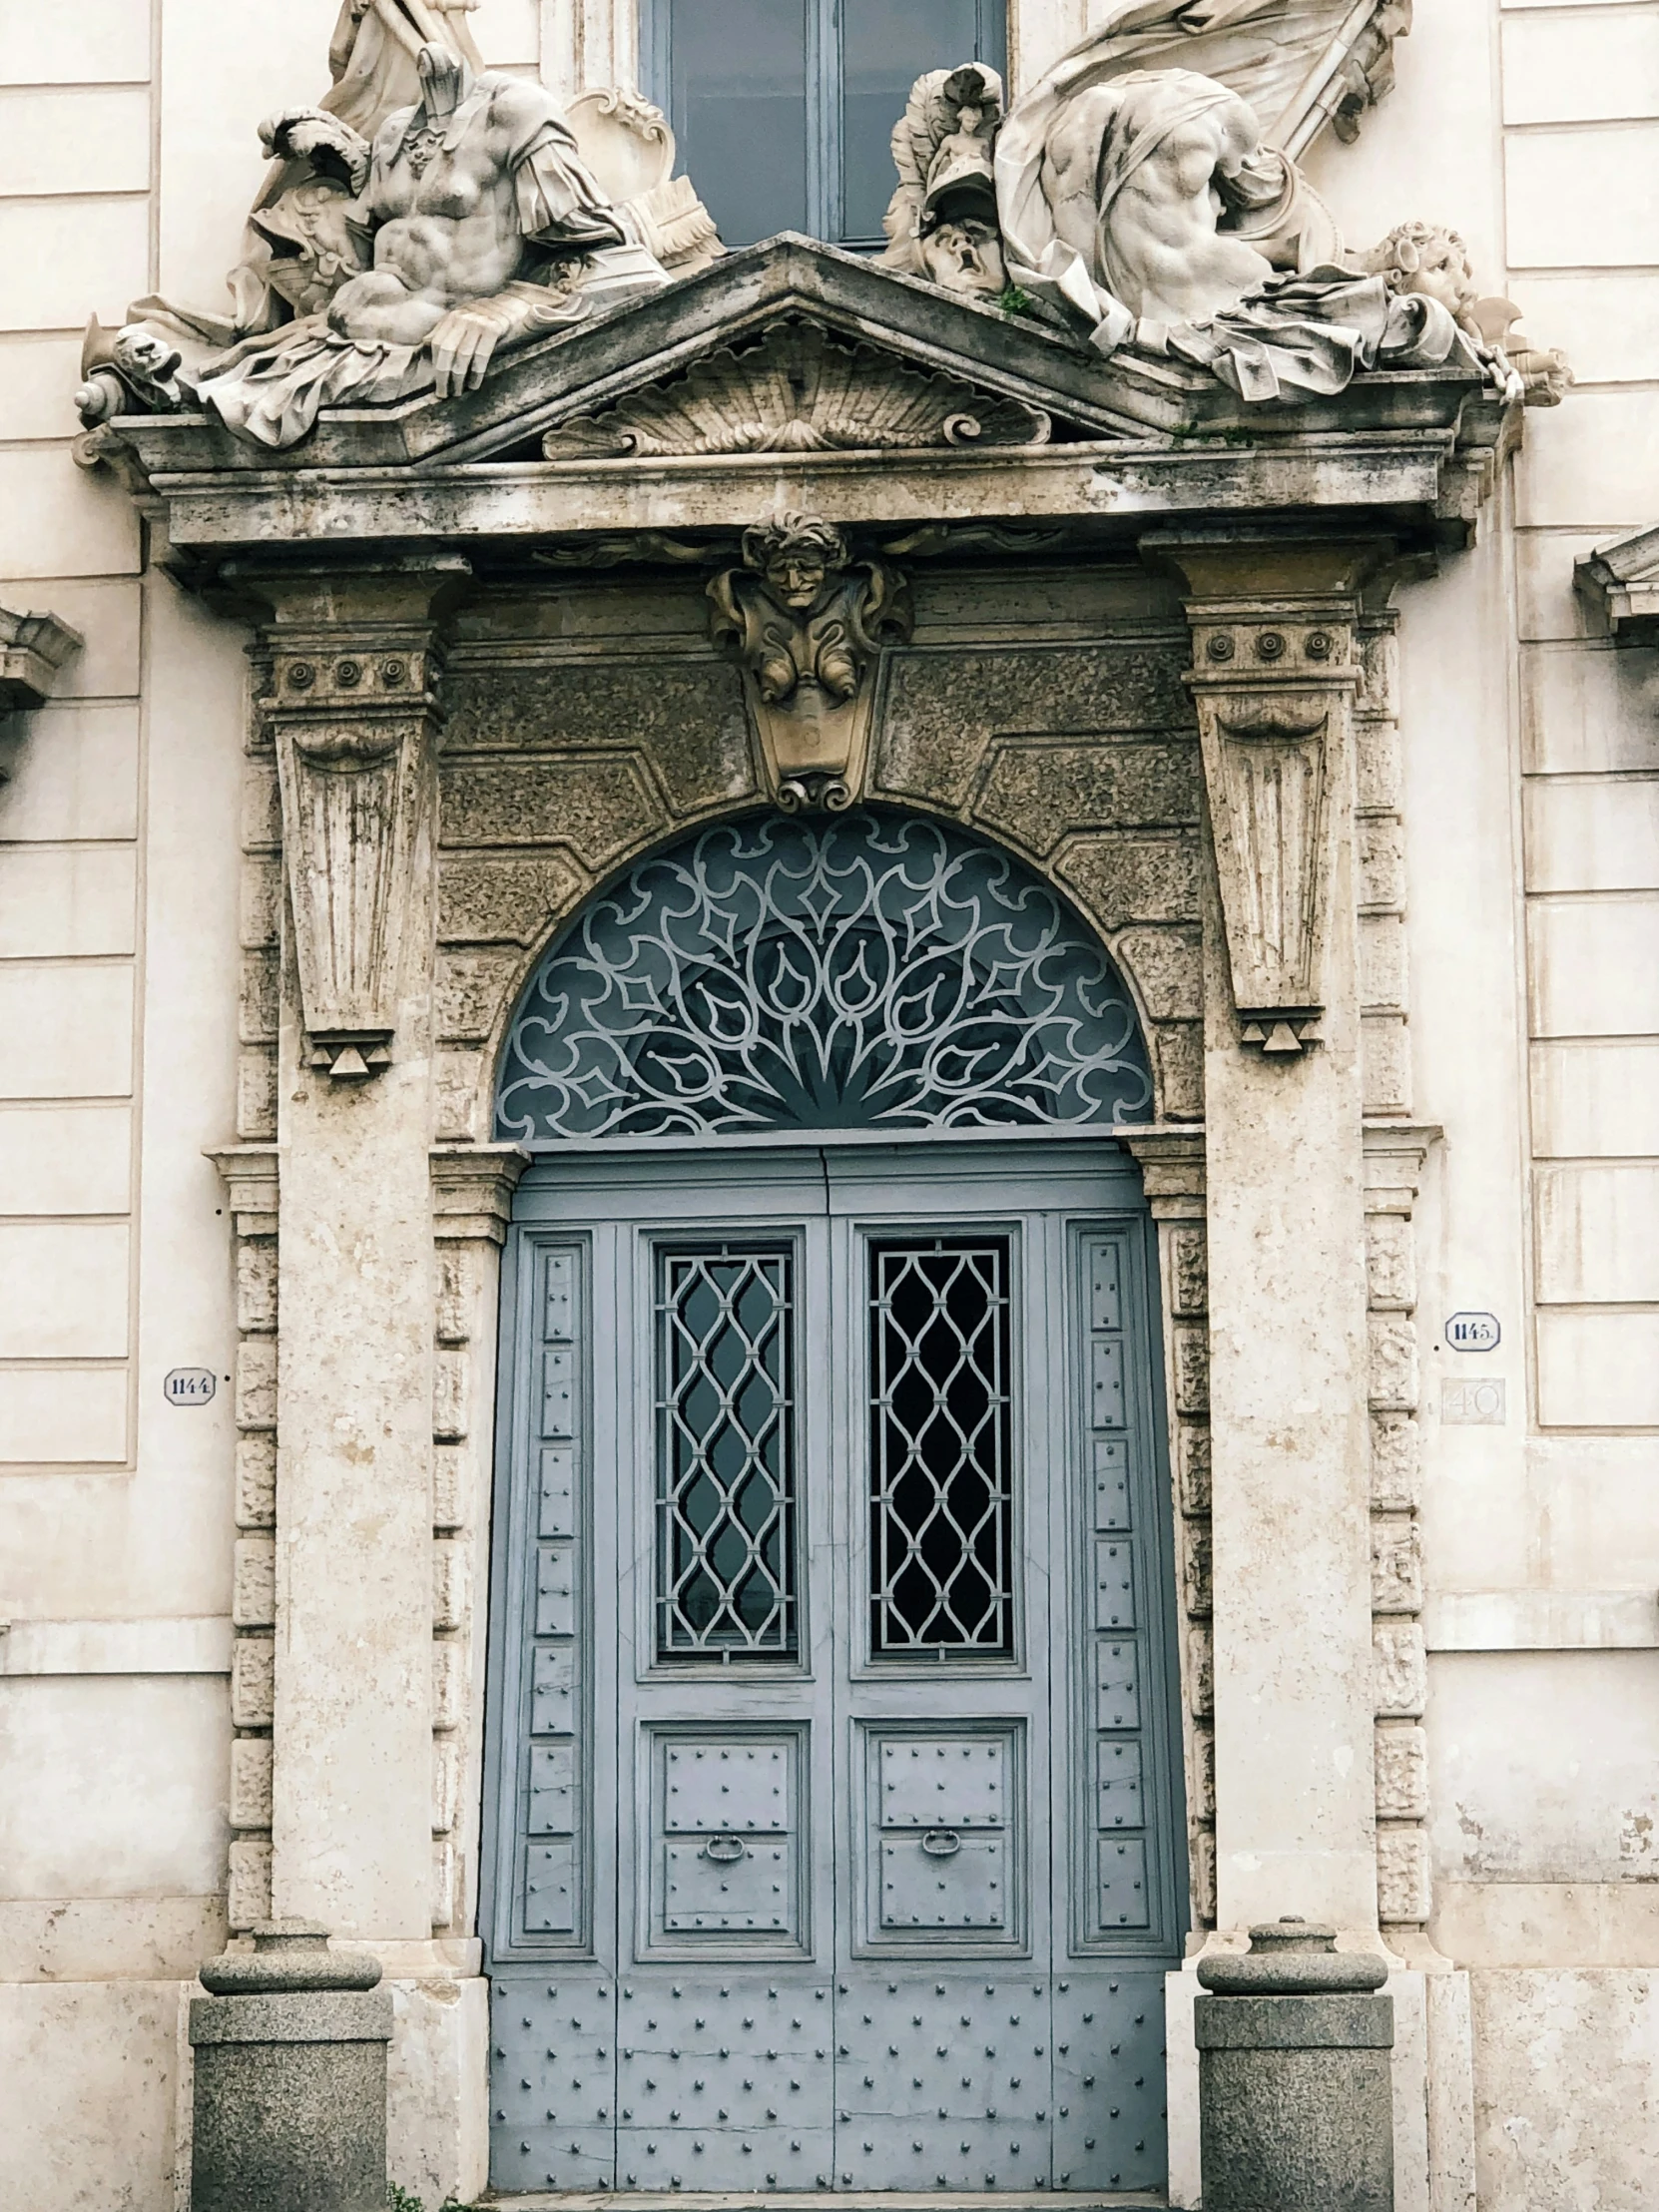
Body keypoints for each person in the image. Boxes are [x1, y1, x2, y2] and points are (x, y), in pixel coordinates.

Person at [195, 41, 666, 446]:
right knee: (204, 389)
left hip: (434, 364)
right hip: (334, 349)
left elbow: (622, 267)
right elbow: (374, 247)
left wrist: (504, 312)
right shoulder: (394, 133)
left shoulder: (517, 113)